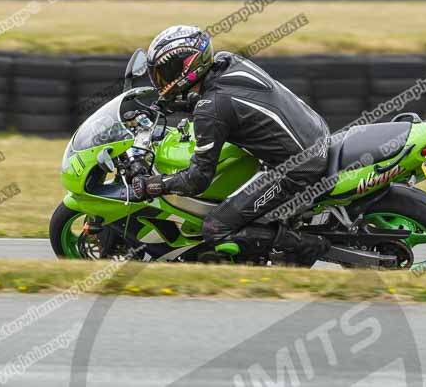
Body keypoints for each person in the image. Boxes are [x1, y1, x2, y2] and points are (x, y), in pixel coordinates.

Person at [131, 25, 331, 266]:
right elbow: (226, 103)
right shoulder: (226, 61)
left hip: (297, 167)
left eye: (166, 73)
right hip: (315, 133)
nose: (160, 81)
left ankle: (312, 247)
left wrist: (156, 184)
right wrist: (177, 104)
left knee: (216, 227)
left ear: (188, 68)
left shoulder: (211, 109)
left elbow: (197, 180)